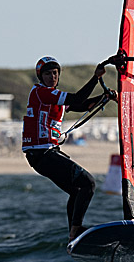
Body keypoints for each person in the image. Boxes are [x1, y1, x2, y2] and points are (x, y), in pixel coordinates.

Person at [22, 55, 117, 241]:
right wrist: (95, 77)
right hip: (41, 153)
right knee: (88, 183)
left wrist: (105, 96)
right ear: (40, 77)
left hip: (46, 154)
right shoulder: (40, 92)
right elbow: (78, 97)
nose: (52, 77)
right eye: (48, 74)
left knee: (78, 189)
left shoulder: (55, 99)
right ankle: (76, 229)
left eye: (55, 73)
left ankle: (73, 233)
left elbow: (82, 104)